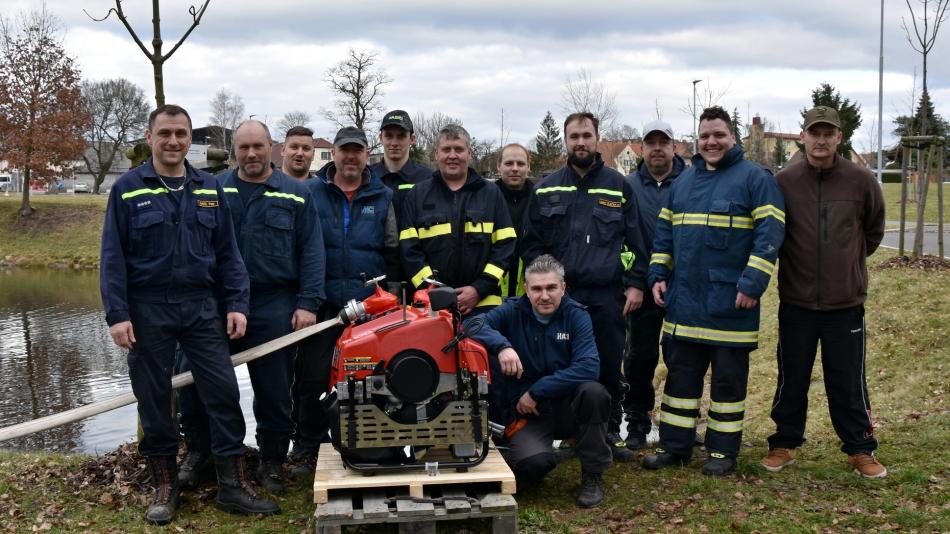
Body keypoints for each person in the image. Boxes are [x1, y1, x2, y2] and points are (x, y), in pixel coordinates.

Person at [100, 105, 278, 523]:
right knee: (155, 399)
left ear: (188, 138)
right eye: (165, 133)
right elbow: (112, 258)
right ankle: (165, 487)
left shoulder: (207, 187)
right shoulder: (128, 188)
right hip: (147, 309)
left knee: (222, 393)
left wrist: (237, 303)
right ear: (150, 137)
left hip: (202, 308)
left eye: (181, 133)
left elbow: (228, 254)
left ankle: (232, 486)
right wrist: (117, 315)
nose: (174, 141)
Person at [177, 120, 325, 496]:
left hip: (273, 301)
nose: (251, 154)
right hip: (216, 301)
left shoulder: (295, 194)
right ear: (234, 151)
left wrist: (307, 303)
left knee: (275, 387)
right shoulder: (213, 189)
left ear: (271, 147)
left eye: (258, 146)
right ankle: (201, 452)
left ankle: (272, 460)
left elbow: (312, 251)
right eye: (243, 148)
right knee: (191, 375)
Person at [642, 106, 785, 476]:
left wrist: (753, 283)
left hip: (731, 303)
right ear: (696, 140)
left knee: (727, 384)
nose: (711, 142)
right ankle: (676, 447)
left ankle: (723, 453)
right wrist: (658, 273)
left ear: (732, 138)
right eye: (705, 136)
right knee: (680, 381)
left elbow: (770, 234)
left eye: (718, 135)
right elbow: (664, 235)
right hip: (684, 303)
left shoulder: (756, 179)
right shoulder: (683, 184)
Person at [762, 105, 887, 478]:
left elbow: (874, 231)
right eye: (814, 133)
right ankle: (784, 442)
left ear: (839, 138)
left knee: (847, 379)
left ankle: (860, 448)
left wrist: (845, 264)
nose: (820, 139)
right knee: (792, 376)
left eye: (827, 133)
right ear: (803, 136)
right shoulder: (784, 182)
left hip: (844, 303)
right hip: (797, 301)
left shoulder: (860, 181)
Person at [521, 111, 648, 462]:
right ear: (566, 140)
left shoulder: (618, 186)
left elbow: (637, 242)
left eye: (586, 136)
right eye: (574, 136)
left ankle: (605, 436)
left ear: (596, 139)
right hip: (560, 299)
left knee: (607, 367)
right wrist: (544, 289)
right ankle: (567, 433)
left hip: (606, 297)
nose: (580, 142)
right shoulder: (546, 188)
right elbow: (531, 246)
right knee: (560, 367)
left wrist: (635, 285)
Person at [289, 126, 399, 477]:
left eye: (358, 150)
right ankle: (309, 447)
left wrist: (392, 299)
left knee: (371, 379)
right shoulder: (310, 192)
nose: (350, 157)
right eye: (344, 150)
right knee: (311, 379)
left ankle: (375, 442)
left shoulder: (383, 196)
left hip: (369, 308)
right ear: (333, 154)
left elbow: (393, 250)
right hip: (322, 306)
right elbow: (298, 247)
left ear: (368, 155)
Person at [465, 255, 611, 508]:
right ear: (526, 290)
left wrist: (537, 391)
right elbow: (471, 324)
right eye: (537, 289)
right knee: (532, 466)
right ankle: (541, 453)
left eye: (552, 288)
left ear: (563, 288)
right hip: (528, 412)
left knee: (594, 393)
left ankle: (592, 474)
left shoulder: (577, 316)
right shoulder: (512, 311)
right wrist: (502, 346)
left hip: (566, 405)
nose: (545, 296)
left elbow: (589, 367)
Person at [399, 124, 515, 316]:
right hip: (432, 306)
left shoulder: (491, 193)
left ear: (469, 153)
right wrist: (436, 293)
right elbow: (409, 251)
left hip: (484, 303)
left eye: (459, 149)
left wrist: (479, 289)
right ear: (436, 153)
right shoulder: (417, 195)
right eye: (446, 149)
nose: (452, 155)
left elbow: (505, 246)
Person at [621, 120, 685, 450]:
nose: (657, 147)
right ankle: (636, 421)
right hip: (641, 287)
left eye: (664, 141)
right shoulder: (627, 186)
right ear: (642, 148)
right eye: (651, 142)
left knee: (680, 358)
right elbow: (619, 239)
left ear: (675, 146)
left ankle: (678, 424)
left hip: (682, 287)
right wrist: (633, 280)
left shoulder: (689, 183)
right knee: (639, 358)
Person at [369, 110, 432, 288]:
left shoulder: (428, 179)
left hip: (421, 275)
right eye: (389, 136)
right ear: (380, 137)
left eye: (401, 136)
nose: (394, 142)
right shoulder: (367, 178)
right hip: (378, 274)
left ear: (412, 138)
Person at [496, 143, 535, 298]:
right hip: (493, 290)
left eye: (520, 163)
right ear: (498, 166)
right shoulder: (485, 198)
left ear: (528, 167)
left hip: (530, 290)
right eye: (509, 163)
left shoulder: (540, 199)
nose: (515, 168)